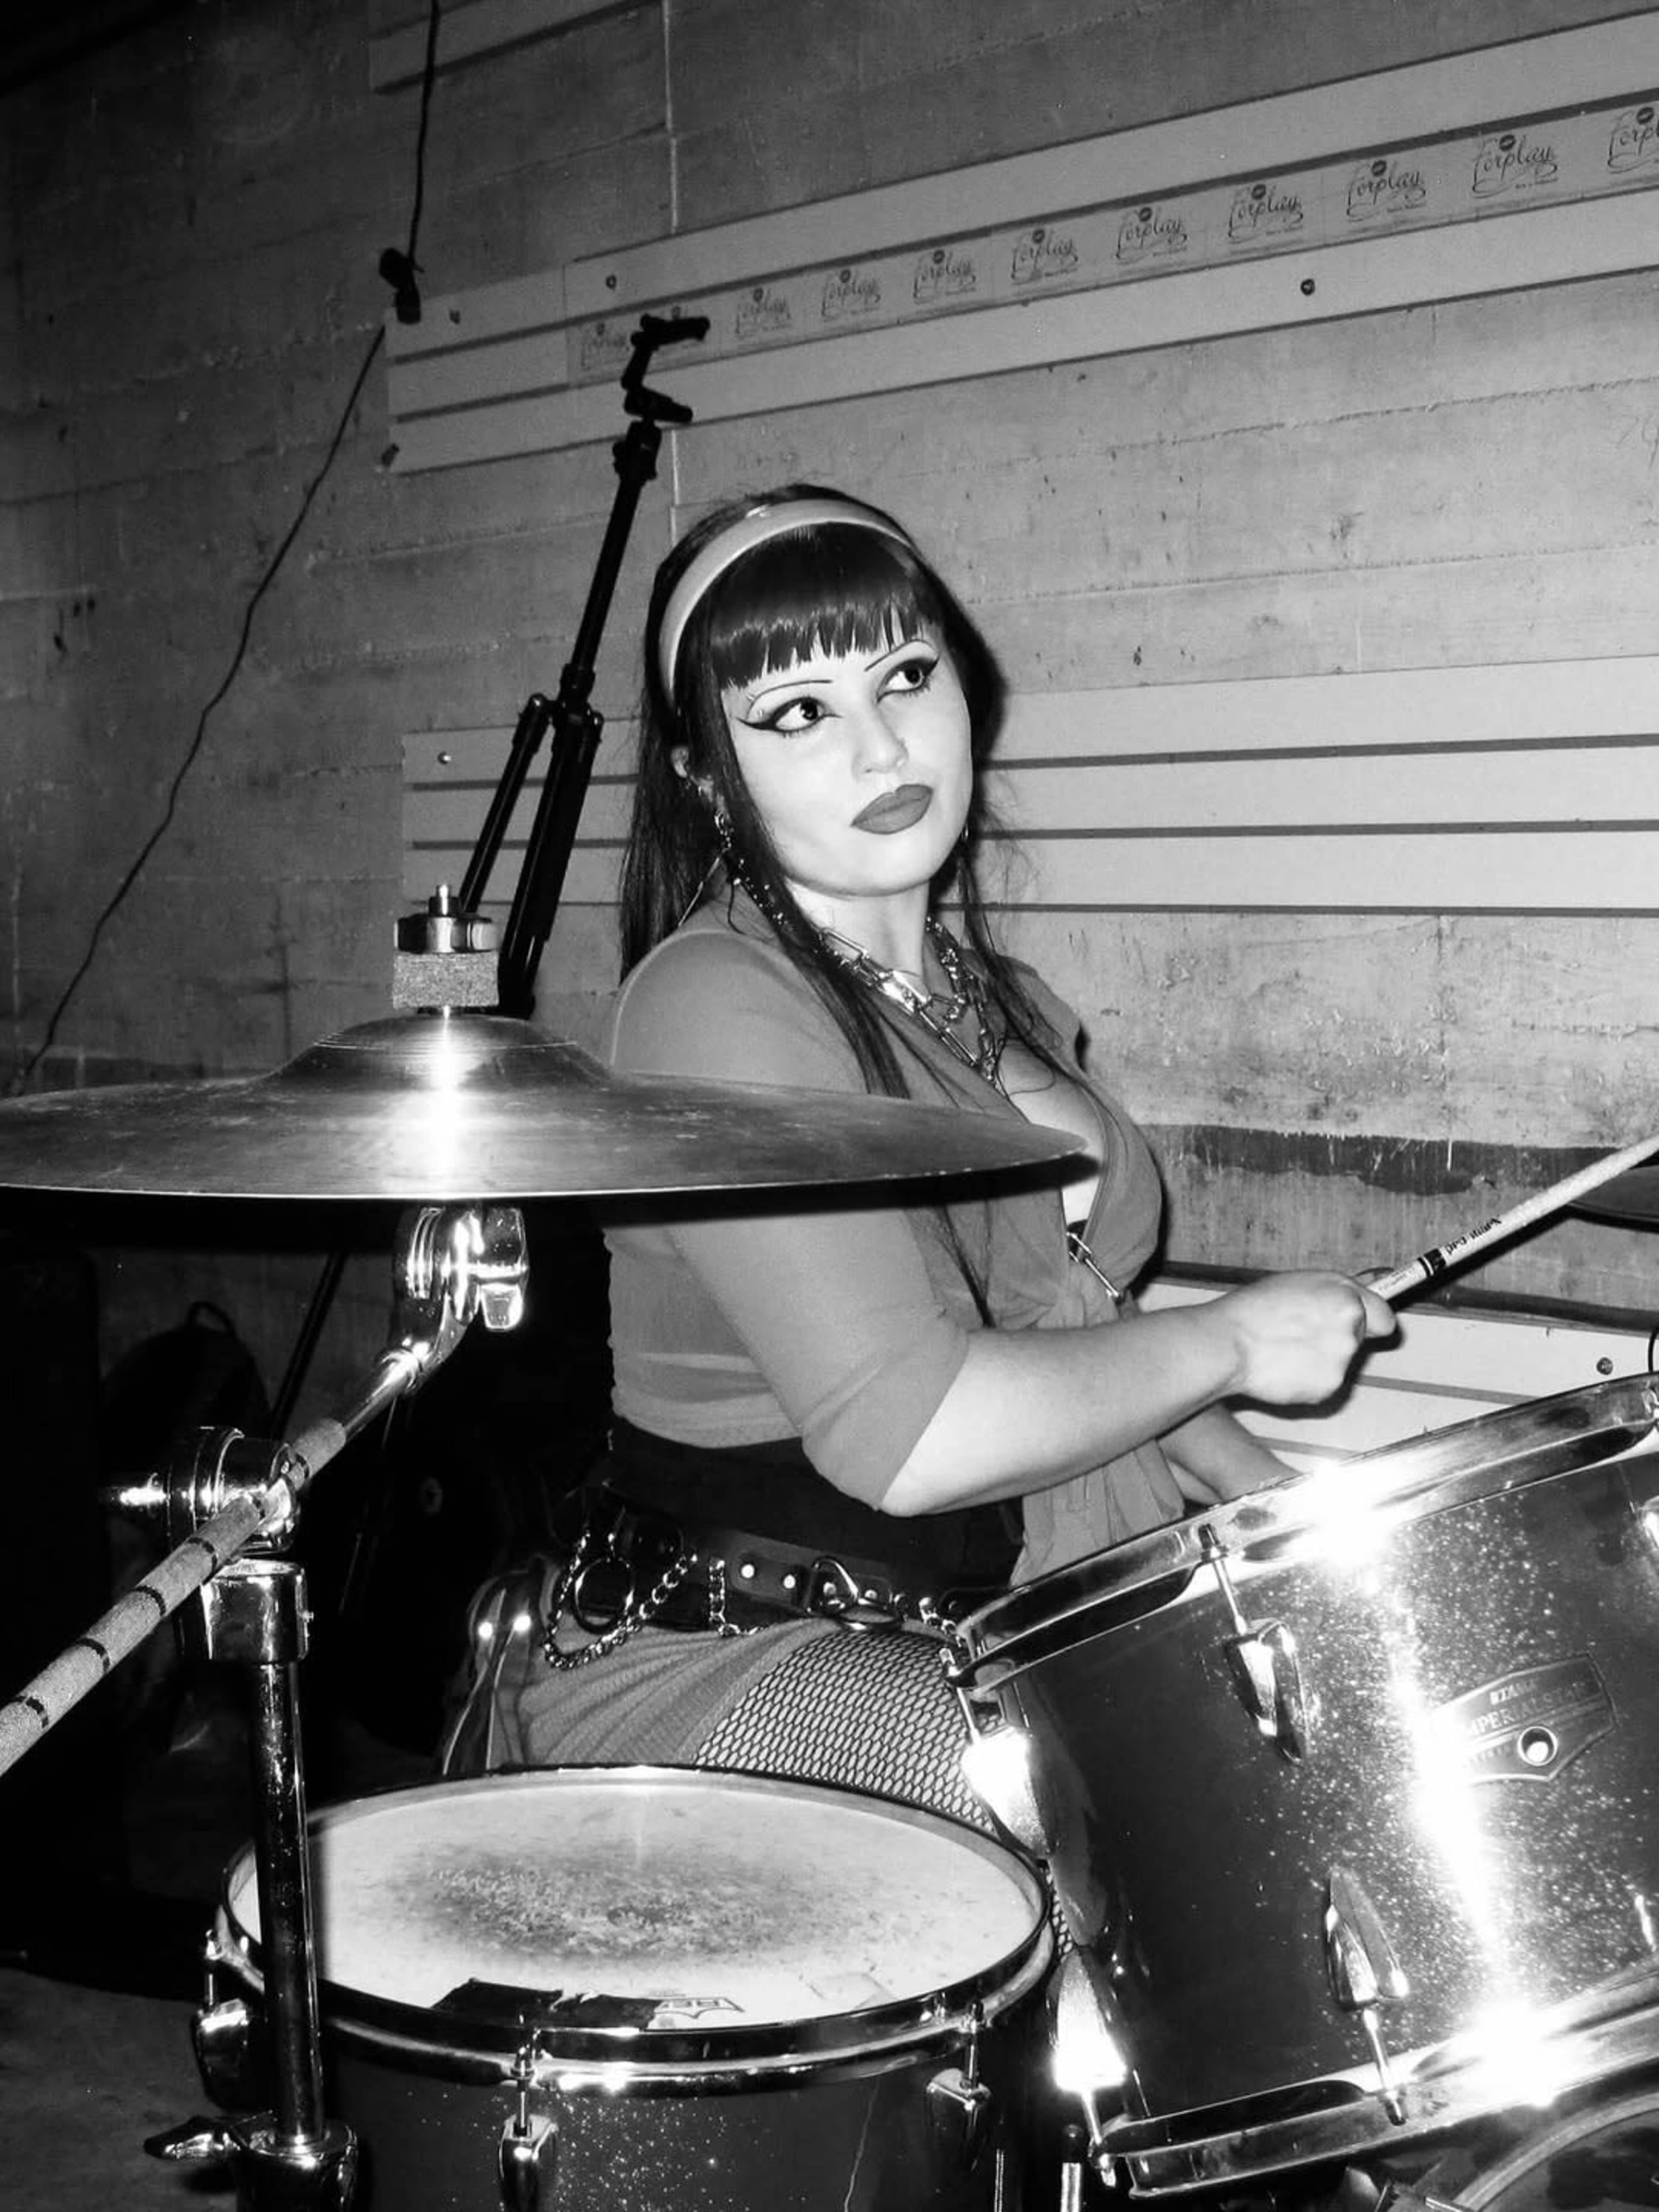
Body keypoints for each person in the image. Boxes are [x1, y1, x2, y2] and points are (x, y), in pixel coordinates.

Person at [443, 485, 1392, 1820]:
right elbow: (916, 1436)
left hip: (996, 1608)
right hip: (749, 1652)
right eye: (799, 712)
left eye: (905, 675)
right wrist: (1235, 1339)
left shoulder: (994, 998)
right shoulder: (716, 1006)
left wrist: (1288, 1511)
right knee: (1135, 1798)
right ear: (705, 774)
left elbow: (1082, 1350)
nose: (882, 744)